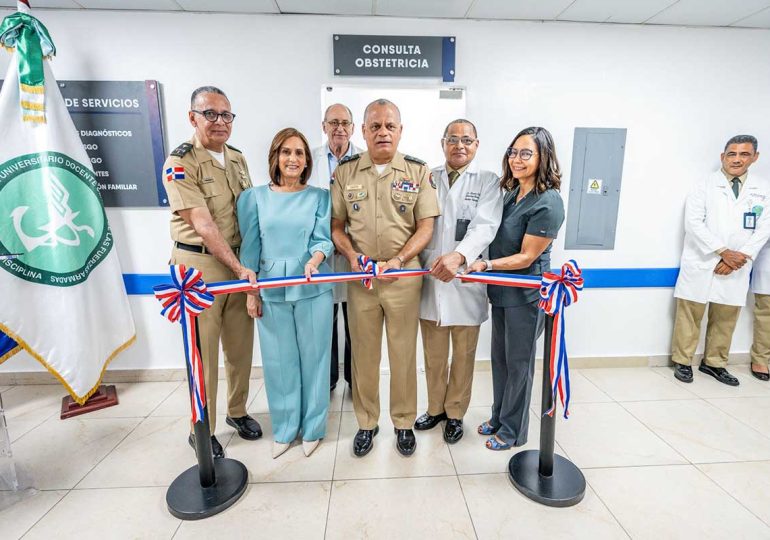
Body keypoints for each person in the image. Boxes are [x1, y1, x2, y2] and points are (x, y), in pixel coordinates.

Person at [331, 99, 440, 457]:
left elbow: (426, 225)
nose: (382, 132)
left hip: (403, 279)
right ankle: (366, 422)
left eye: (389, 126)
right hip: (361, 280)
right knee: (362, 354)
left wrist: (400, 259)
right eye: (375, 126)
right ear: (363, 131)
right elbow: (336, 226)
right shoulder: (346, 172)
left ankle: (404, 422)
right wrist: (352, 255)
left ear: (400, 130)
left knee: (403, 354)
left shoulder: (417, 172)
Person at [162, 86, 262, 459]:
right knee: (202, 354)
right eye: (210, 114)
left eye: (226, 115)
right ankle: (201, 427)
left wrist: (248, 266)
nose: (220, 122)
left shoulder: (236, 158)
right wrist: (239, 268)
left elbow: (248, 214)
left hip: (239, 263)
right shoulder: (180, 163)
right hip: (200, 267)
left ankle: (237, 411)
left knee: (239, 348)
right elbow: (203, 224)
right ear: (193, 117)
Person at [238, 128, 334, 459]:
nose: (293, 159)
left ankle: (313, 427)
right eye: (286, 152)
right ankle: (285, 427)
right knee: (279, 362)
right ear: (275, 157)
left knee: (316, 360)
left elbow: (324, 239)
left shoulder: (320, 196)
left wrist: (316, 259)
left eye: (299, 153)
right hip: (270, 287)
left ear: (307, 160)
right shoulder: (254, 198)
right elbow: (250, 250)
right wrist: (251, 293)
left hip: (313, 286)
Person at [467, 127, 565, 451]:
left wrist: (486, 265)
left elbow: (527, 256)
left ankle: (512, 432)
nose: (517, 159)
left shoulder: (548, 202)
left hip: (527, 297)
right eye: (513, 152)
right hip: (502, 293)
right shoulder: (510, 193)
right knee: (501, 361)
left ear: (542, 158)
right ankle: (498, 417)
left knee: (519, 364)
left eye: (526, 153)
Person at [416, 119, 503, 444]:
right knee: (433, 355)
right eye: (453, 139)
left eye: (467, 140)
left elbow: (485, 226)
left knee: (464, 355)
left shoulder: (488, 181)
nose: (459, 145)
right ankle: (435, 408)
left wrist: (459, 256)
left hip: (466, 280)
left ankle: (455, 414)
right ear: (443, 143)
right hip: (430, 279)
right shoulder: (428, 177)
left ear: (476, 145)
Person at [672, 135, 770, 387]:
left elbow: (763, 230)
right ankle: (683, 361)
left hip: (737, 264)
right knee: (690, 313)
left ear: (755, 157)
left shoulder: (763, 190)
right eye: (732, 154)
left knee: (726, 315)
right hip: (703, 259)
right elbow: (693, 224)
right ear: (722, 156)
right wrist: (723, 251)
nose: (737, 159)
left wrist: (739, 257)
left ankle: (714, 363)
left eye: (744, 154)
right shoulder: (704, 185)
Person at [308, 103, 363, 393]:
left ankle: (356, 381)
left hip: (354, 253)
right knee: (323, 322)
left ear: (353, 128)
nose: (339, 128)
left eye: (344, 123)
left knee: (356, 321)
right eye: (333, 122)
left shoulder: (366, 161)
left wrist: (347, 242)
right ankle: (328, 381)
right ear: (324, 126)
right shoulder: (310, 159)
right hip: (322, 256)